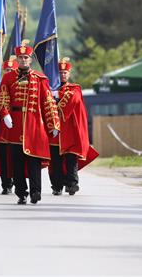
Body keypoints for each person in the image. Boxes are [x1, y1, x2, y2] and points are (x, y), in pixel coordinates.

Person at [0, 40, 60, 205]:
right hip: (15, 123)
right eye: (21, 57)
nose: (23, 60)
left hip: (34, 124)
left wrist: (53, 123)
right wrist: (4, 114)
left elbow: (48, 102)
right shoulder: (8, 77)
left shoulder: (40, 78)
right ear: (17, 58)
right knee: (17, 161)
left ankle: (36, 192)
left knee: (34, 160)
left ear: (30, 59)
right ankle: (21, 193)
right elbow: (3, 97)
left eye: (26, 57)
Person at [48, 58, 98, 196]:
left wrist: (57, 95)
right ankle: (56, 186)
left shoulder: (74, 88)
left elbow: (73, 100)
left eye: (65, 72)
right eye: (60, 72)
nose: (63, 75)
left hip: (69, 132)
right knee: (55, 161)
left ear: (69, 74)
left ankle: (72, 184)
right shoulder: (49, 89)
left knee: (71, 160)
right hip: (54, 131)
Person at [0, 56, 18, 195]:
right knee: (2, 156)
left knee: (13, 155)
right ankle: (5, 184)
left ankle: (14, 180)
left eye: (11, 69)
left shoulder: (16, 86)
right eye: (6, 69)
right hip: (0, 127)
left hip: (13, 125)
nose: (8, 71)